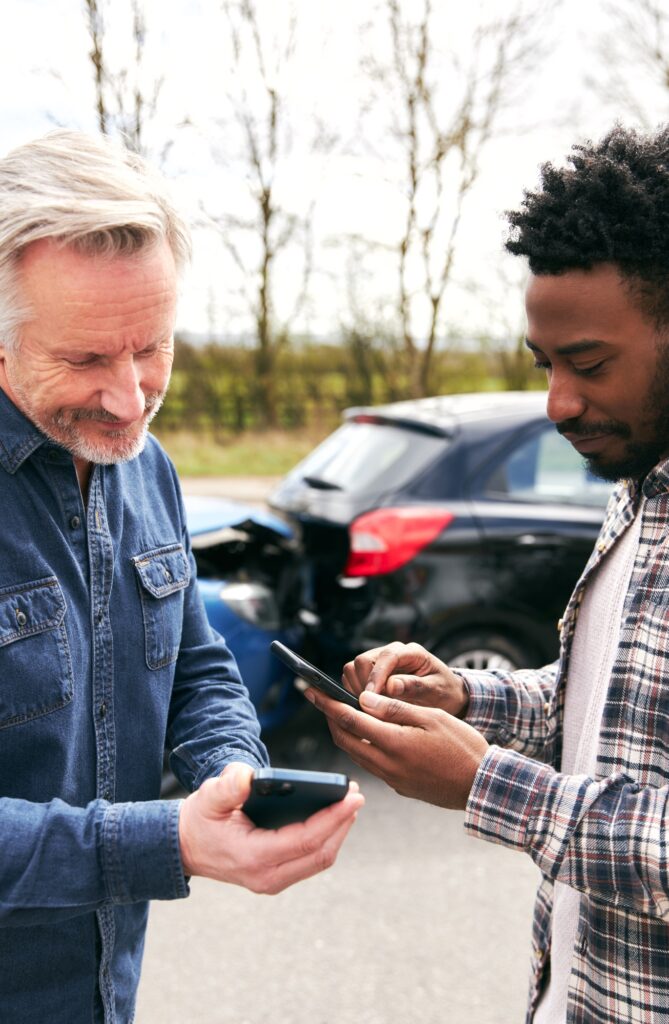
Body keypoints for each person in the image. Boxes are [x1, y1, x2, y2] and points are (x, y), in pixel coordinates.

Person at [304, 123, 669, 1024]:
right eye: (544, 365)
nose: (556, 404)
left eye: (587, 364)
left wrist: (483, 784)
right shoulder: (638, 485)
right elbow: (608, 718)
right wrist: (467, 701)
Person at [0, 130, 364, 1024]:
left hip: (104, 990)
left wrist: (234, 777)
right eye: (85, 359)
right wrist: (162, 841)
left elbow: (195, 661)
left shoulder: (144, 465)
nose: (131, 400)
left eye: (151, 348)